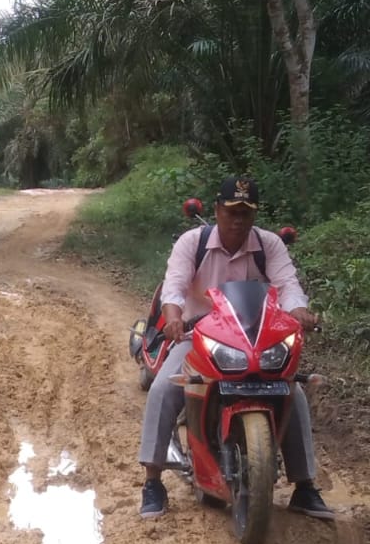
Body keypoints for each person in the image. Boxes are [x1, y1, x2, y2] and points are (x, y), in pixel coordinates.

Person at [138, 176, 333, 520]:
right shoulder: (191, 242)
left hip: (254, 340)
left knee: (293, 392)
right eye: (231, 211)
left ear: (254, 214)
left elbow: (288, 285)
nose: (238, 219)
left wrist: (299, 310)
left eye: (246, 212)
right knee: (163, 388)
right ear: (217, 210)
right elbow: (174, 287)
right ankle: (153, 482)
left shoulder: (269, 245)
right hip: (199, 336)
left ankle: (304, 487)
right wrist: (172, 317)